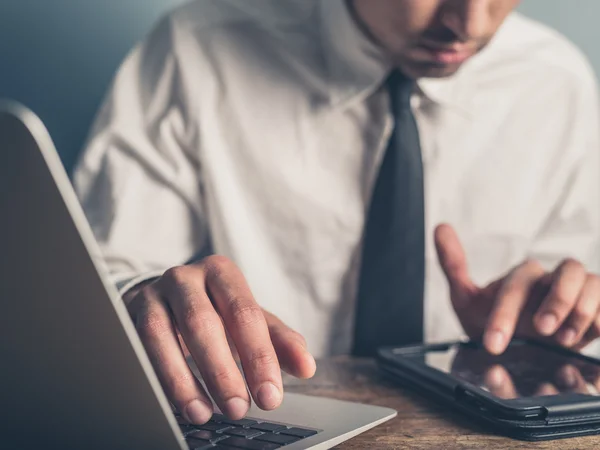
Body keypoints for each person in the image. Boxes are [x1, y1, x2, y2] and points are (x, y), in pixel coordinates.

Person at [73, 0, 600, 425]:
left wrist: (544, 338)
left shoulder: (558, 83)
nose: (469, 22)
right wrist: (144, 299)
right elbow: (95, 274)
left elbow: (580, 300)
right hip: (260, 418)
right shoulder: (195, 50)